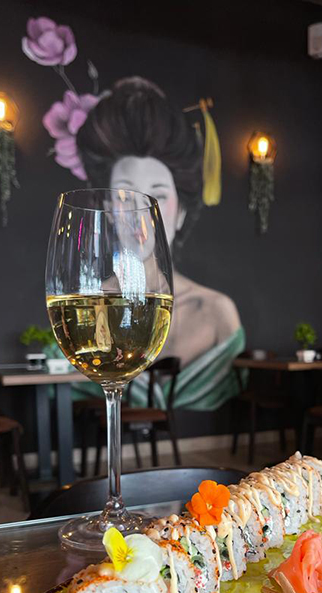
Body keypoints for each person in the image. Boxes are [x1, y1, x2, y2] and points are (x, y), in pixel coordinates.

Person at [76, 77, 243, 410]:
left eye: (158, 196)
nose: (140, 214)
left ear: (180, 213)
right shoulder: (85, 312)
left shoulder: (217, 314)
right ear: (107, 209)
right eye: (125, 196)